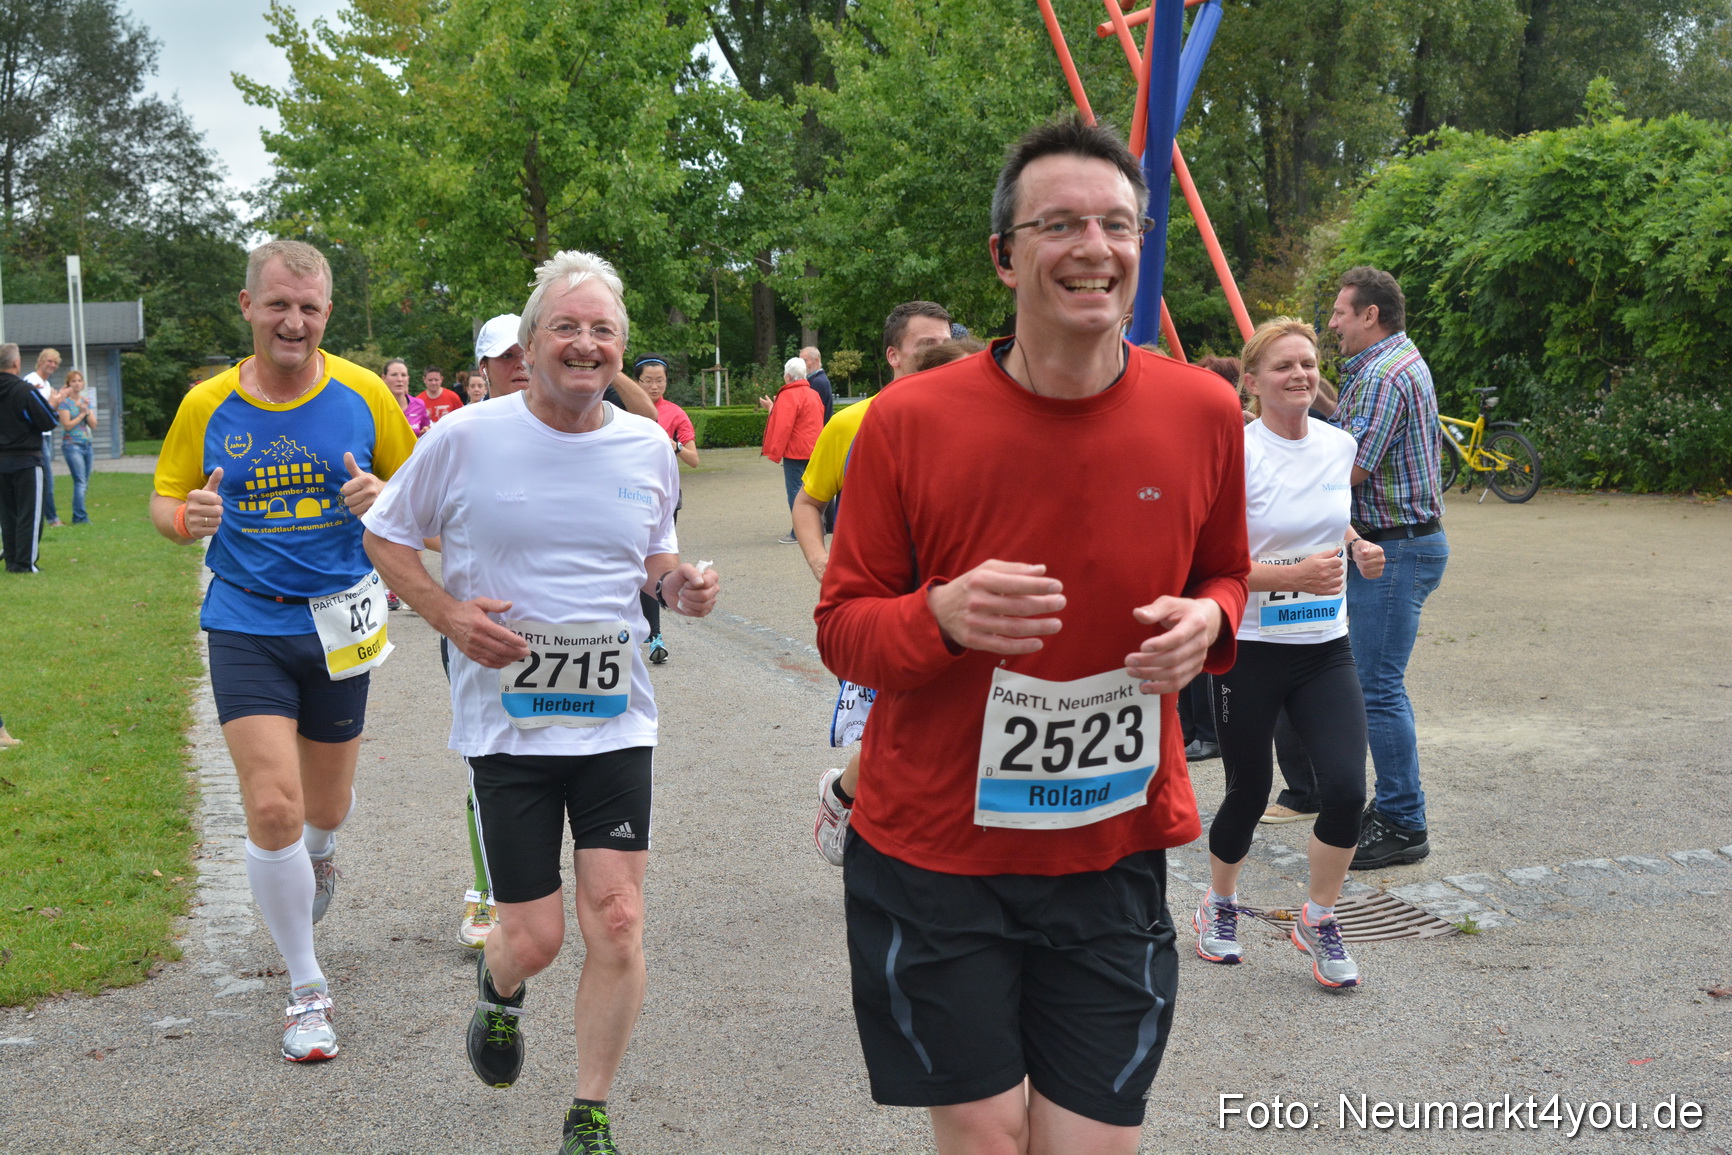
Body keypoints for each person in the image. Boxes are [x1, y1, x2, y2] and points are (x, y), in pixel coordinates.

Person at [814, 116, 1249, 1154]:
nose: (1092, 246)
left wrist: (1211, 620)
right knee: (989, 1139)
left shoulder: (1200, 413)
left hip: (1109, 848)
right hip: (936, 854)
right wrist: (940, 617)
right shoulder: (906, 423)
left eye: (1116, 224)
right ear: (1005, 256)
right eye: (1058, 224)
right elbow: (842, 629)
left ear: (1141, 247)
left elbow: (1225, 574)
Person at [362, 250, 719, 1155]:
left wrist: (682, 587)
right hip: (509, 720)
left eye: (603, 330)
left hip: (615, 719)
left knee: (619, 917)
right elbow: (384, 534)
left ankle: (588, 1113)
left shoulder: (645, 446)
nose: (586, 343)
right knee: (535, 936)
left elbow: (654, 561)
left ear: (622, 350)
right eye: (568, 326)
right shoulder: (465, 437)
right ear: (529, 343)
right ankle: (499, 987)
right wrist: (445, 612)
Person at [151, 239, 416, 1062]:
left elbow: (425, 502)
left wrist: (387, 498)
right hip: (245, 619)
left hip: (340, 621)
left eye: (308, 308)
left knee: (323, 810)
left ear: (326, 314)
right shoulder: (207, 405)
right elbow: (166, 499)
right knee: (273, 806)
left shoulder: (366, 395)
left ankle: (323, 854)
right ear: (248, 307)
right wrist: (185, 520)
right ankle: (308, 991)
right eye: (277, 305)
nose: (292, 321)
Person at [1192, 317, 1385, 989]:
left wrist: (1357, 544)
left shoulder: (1339, 445)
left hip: (1322, 646)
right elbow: (1205, 562)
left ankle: (1318, 914)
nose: (1301, 374)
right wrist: (1291, 575)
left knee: (1346, 788)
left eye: (1308, 363)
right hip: (1247, 648)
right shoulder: (1234, 452)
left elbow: (1327, 517)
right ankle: (1218, 904)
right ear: (1251, 382)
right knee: (1247, 790)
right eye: (1283, 366)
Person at [796, 300, 956, 865]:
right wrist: (824, 567)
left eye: (947, 341)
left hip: (949, 602)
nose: (941, 353)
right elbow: (808, 502)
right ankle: (845, 797)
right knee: (888, 723)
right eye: (925, 346)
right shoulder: (852, 422)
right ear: (892, 355)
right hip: (880, 605)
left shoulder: (971, 416)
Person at [1327, 266, 1448, 870]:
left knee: (1376, 688)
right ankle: (1394, 807)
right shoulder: (1396, 364)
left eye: (1341, 313)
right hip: (1398, 542)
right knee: (1372, 684)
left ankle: (1403, 821)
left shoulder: (1380, 375)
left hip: (1395, 548)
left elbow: (1350, 468)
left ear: (1370, 315)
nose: (1332, 324)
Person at [632, 355, 697, 666]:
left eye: (661, 380)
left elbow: (695, 460)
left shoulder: (675, 413)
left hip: (663, 498)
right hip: (625, 495)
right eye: (649, 380)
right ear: (637, 381)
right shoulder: (620, 407)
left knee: (652, 559)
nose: (655, 386)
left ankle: (655, 634)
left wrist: (677, 446)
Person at [1, 344, 57, 572]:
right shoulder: (24, 390)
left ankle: (12, 559)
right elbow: (47, 420)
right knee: (29, 513)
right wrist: (52, 404)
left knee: (7, 513)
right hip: (26, 459)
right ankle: (25, 563)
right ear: (16, 363)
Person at [759, 356, 822, 545]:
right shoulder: (813, 394)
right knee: (813, 490)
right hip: (814, 449)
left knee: (795, 491)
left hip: (795, 451)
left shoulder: (788, 395)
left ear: (787, 376)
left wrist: (775, 452)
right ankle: (816, 526)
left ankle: (798, 532)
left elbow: (782, 426)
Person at [24, 349, 64, 529]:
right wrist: (53, 403)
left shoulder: (46, 385)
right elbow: (33, 410)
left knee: (46, 478)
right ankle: (51, 518)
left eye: (55, 363)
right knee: (45, 478)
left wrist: (57, 401)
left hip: (46, 435)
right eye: (49, 361)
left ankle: (47, 516)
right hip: (36, 436)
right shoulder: (32, 381)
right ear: (40, 361)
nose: (52, 365)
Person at [56, 370, 96, 525]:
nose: (77, 383)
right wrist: (80, 414)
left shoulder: (85, 401)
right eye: (73, 381)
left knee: (84, 481)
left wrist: (86, 411)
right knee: (80, 481)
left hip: (87, 443)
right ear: (68, 384)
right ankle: (80, 517)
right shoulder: (65, 403)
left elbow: (93, 424)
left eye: (79, 380)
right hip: (72, 445)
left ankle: (78, 514)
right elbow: (67, 425)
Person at [384, 359, 430, 436]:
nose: (399, 379)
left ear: (408, 379)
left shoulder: (419, 405)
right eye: (394, 375)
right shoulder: (377, 406)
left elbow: (426, 429)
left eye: (403, 375)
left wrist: (425, 432)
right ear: (384, 378)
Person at [800, 345, 834, 422]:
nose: (801, 365)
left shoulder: (818, 382)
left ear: (817, 361)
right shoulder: (818, 379)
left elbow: (810, 412)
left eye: (805, 361)